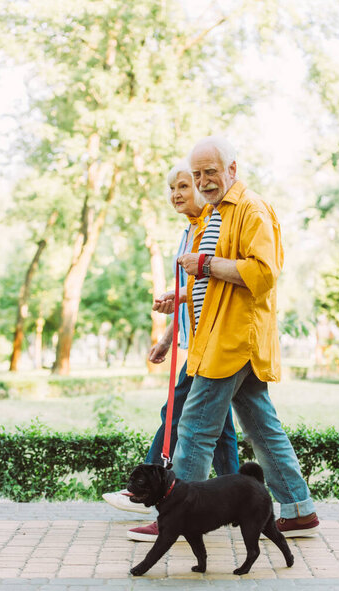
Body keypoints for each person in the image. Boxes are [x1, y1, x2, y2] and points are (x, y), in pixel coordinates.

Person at [149, 135, 319, 540]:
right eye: (197, 174)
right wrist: (186, 293)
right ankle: (298, 510)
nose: (204, 181)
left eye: (211, 172)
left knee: (193, 428)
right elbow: (222, 278)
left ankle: (175, 518)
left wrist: (204, 265)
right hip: (222, 337)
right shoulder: (215, 213)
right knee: (262, 428)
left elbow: (261, 274)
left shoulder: (252, 209)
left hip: (233, 340)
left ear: (232, 169)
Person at [102, 160, 239, 539]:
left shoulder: (211, 231)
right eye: (173, 188)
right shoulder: (187, 234)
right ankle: (240, 496)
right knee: (222, 427)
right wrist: (166, 338)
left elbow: (212, 288)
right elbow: (190, 296)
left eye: (185, 185)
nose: (177, 194)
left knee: (177, 411)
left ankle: (144, 487)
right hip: (195, 344)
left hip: (213, 345)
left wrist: (176, 319)